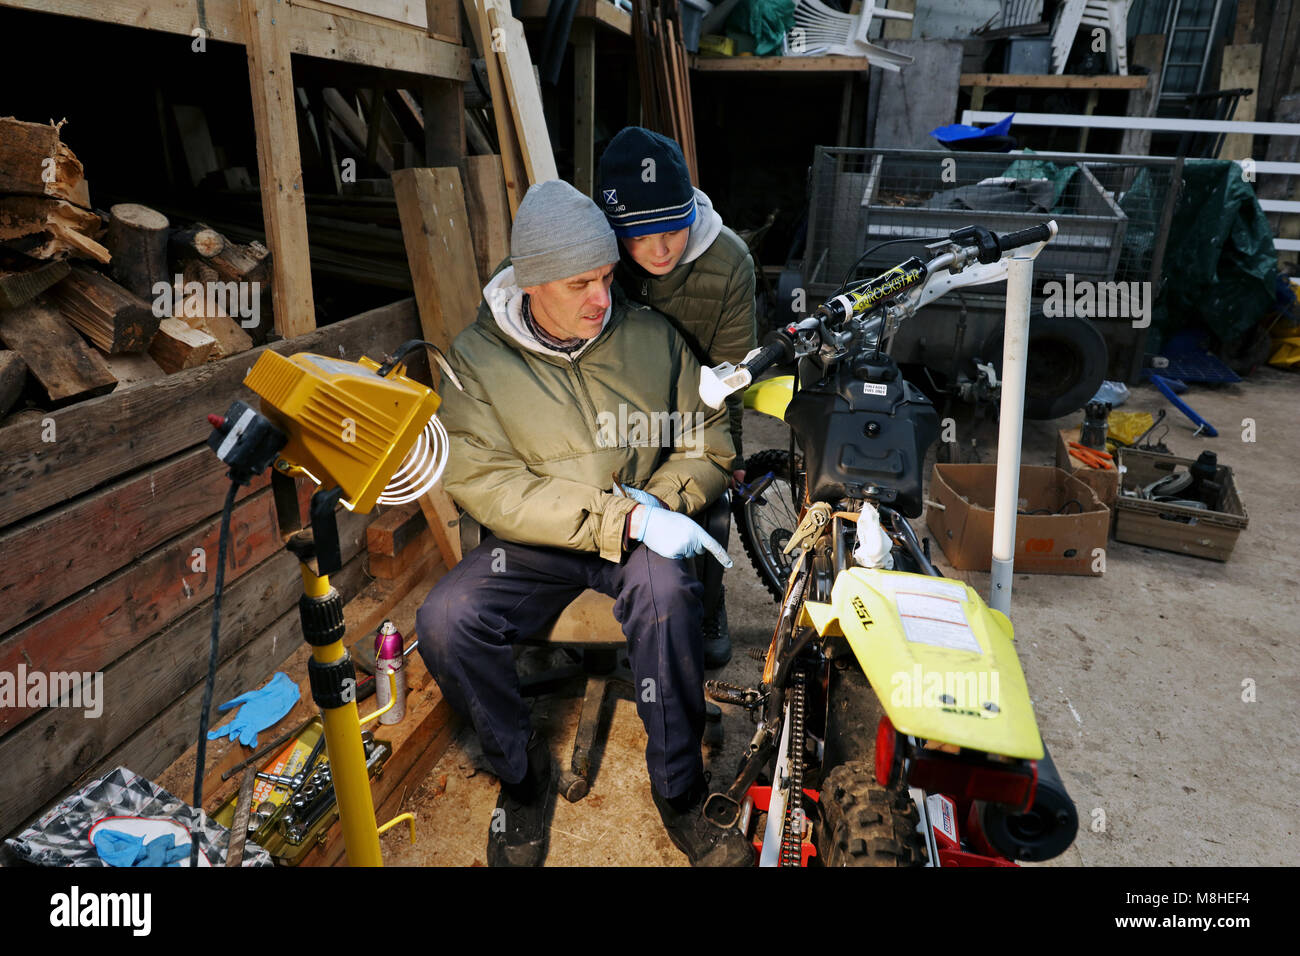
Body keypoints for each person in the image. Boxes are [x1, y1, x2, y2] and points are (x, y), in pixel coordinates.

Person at [415, 179, 753, 868]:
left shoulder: (650, 338)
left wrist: (664, 498)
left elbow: (710, 434)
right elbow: (485, 481)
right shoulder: (476, 363)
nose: (603, 299)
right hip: (537, 542)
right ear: (532, 284)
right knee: (446, 620)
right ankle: (522, 776)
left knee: (665, 598)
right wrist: (617, 517)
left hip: (639, 525)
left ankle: (681, 793)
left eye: (606, 277)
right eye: (580, 284)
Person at [596, 127, 757, 667]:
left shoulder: (730, 262)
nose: (659, 249)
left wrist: (726, 450)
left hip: (693, 408)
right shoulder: (596, 254)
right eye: (640, 236)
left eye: (672, 228)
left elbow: (732, 372)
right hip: (611, 406)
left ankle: (710, 601)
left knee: (712, 504)